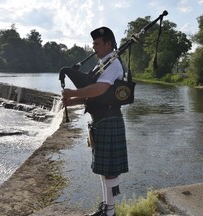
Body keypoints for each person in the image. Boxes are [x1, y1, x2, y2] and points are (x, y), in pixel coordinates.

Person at [61, 27, 129, 216]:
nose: (94, 48)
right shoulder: (101, 64)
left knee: (110, 170)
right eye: (93, 44)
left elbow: (99, 89)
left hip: (109, 120)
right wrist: (73, 100)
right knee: (104, 169)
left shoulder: (113, 64)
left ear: (109, 44)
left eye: (97, 44)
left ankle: (110, 211)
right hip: (100, 121)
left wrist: (73, 92)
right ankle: (106, 207)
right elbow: (95, 95)